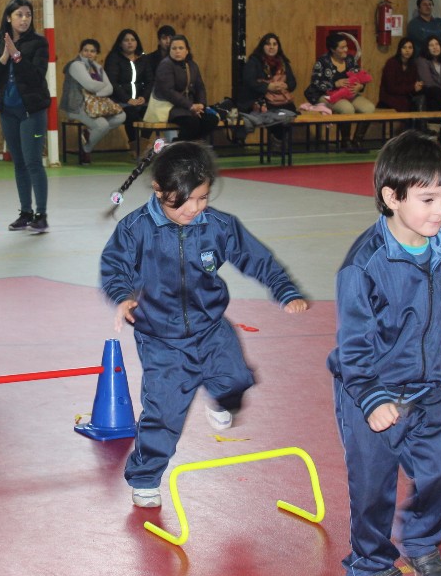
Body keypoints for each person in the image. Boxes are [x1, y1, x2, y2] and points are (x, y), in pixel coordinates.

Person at [99, 141, 308, 508]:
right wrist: (123, 297)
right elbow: (114, 267)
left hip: (211, 327)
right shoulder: (136, 228)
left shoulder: (219, 226)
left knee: (237, 378)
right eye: (186, 200)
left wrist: (285, 290)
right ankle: (146, 477)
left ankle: (223, 401)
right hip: (160, 337)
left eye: (203, 198)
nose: (195, 209)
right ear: (160, 192)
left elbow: (257, 259)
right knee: (163, 412)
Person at [329, 130, 441, 576]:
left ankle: (422, 543)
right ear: (391, 197)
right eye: (427, 198)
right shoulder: (363, 266)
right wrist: (370, 399)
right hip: (369, 389)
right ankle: (368, 566)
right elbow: (353, 345)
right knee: (374, 488)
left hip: (425, 387)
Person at [0, 0, 50, 233]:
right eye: (19, 14)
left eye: (28, 15)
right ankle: (25, 213)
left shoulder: (39, 43)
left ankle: (41, 215)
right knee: (19, 163)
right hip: (8, 112)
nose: (24, 19)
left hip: (32, 111)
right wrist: (3, 57)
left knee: (33, 162)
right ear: (9, 17)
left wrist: (18, 56)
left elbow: (37, 77)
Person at [305, 32, 375, 152]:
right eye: (342, 47)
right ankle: (345, 141)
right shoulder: (322, 61)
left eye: (346, 46)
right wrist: (334, 84)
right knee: (347, 109)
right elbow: (315, 82)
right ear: (333, 49)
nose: (346, 49)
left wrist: (360, 86)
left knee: (369, 108)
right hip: (327, 95)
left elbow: (360, 75)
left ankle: (357, 141)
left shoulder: (350, 59)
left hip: (349, 93)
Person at [60, 38, 126, 165]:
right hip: (77, 106)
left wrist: (96, 91)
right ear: (80, 52)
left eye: (92, 51)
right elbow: (90, 85)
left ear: (97, 54)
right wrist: (100, 87)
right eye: (85, 50)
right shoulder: (75, 65)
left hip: (96, 105)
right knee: (102, 125)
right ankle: (86, 150)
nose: (89, 53)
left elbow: (110, 88)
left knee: (121, 116)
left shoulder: (98, 67)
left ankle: (89, 133)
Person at [153, 34, 219, 143]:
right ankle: (178, 146)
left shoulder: (192, 65)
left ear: (187, 51)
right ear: (169, 51)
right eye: (174, 48)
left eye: (181, 48)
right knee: (192, 123)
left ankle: (186, 144)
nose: (177, 51)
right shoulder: (165, 65)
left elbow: (200, 87)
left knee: (211, 120)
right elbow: (168, 92)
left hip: (191, 107)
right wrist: (190, 106)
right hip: (171, 107)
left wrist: (201, 104)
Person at [239, 32, 298, 147]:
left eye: (275, 44)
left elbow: (293, 83)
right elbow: (249, 81)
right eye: (268, 44)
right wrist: (268, 87)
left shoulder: (283, 62)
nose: (271, 47)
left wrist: (286, 86)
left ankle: (278, 139)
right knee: (272, 113)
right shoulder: (254, 62)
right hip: (259, 99)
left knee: (289, 110)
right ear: (262, 46)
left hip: (281, 100)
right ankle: (277, 140)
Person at [103, 28, 153, 152]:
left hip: (141, 100)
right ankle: (134, 147)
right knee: (131, 115)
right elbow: (112, 83)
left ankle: (141, 147)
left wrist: (144, 97)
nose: (130, 43)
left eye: (133, 40)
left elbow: (150, 81)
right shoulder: (113, 58)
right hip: (120, 100)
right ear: (120, 43)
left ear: (137, 42)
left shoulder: (143, 58)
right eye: (126, 40)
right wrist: (128, 99)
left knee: (151, 114)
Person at [378, 37, 423, 113]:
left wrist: (418, 86)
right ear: (400, 49)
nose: (407, 50)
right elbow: (391, 88)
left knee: (422, 98)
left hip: (405, 96)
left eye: (410, 48)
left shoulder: (413, 65)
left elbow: (412, 84)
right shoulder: (392, 63)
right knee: (406, 104)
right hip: (389, 97)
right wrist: (412, 87)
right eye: (404, 47)